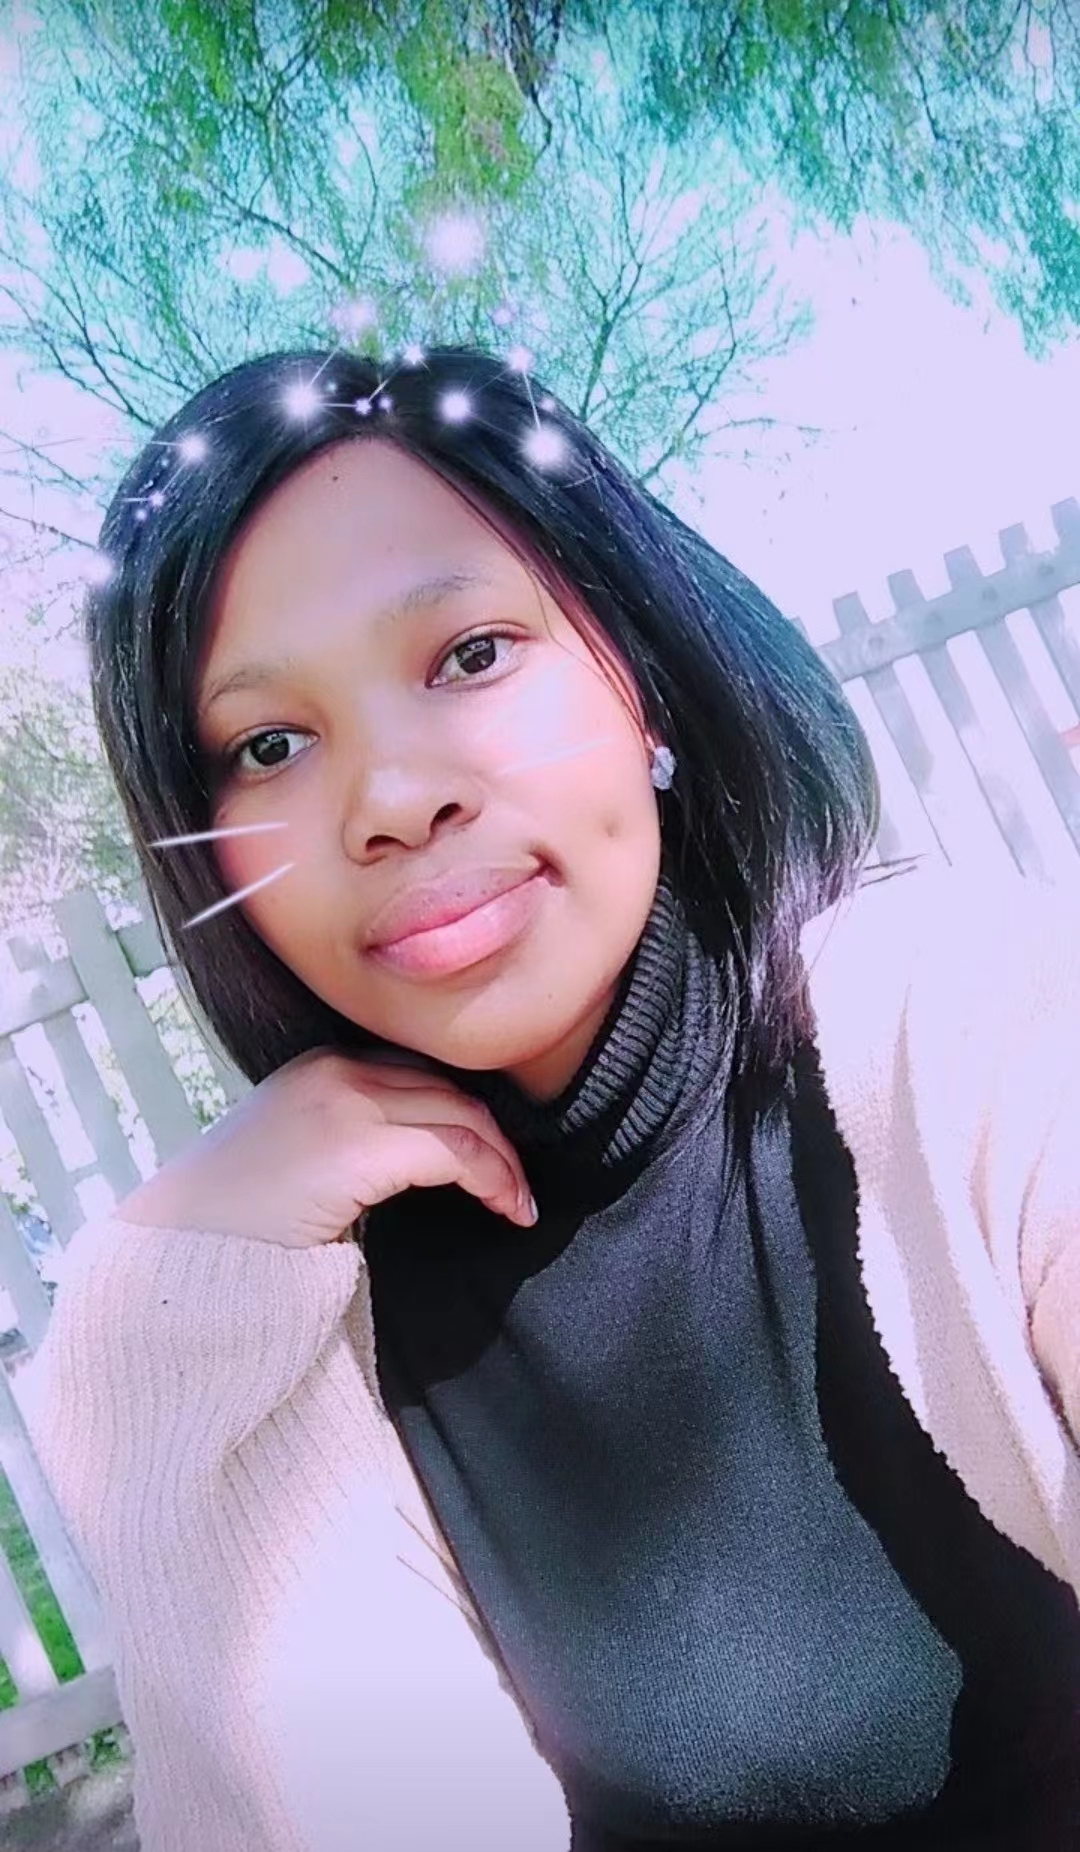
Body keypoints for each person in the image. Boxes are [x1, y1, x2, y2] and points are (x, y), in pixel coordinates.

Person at [21, 342, 1080, 1851]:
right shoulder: (300, 1324)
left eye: (470, 654)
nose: (395, 800)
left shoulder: (968, 1018)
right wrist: (171, 1288)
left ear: (636, 672)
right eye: (270, 744)